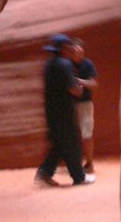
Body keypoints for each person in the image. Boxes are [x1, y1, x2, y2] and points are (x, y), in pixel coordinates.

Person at [34, 34, 95, 187]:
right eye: (68, 47)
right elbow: (74, 90)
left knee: (60, 144)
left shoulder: (49, 64)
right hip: (64, 111)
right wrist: (79, 89)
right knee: (72, 143)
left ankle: (44, 173)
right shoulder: (64, 64)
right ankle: (79, 177)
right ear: (63, 49)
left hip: (51, 110)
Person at [69, 38, 98, 174]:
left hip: (85, 104)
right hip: (71, 104)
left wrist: (79, 81)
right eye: (75, 50)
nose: (78, 53)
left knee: (87, 134)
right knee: (73, 134)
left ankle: (89, 163)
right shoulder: (68, 65)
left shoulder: (88, 64)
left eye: (80, 50)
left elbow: (94, 84)